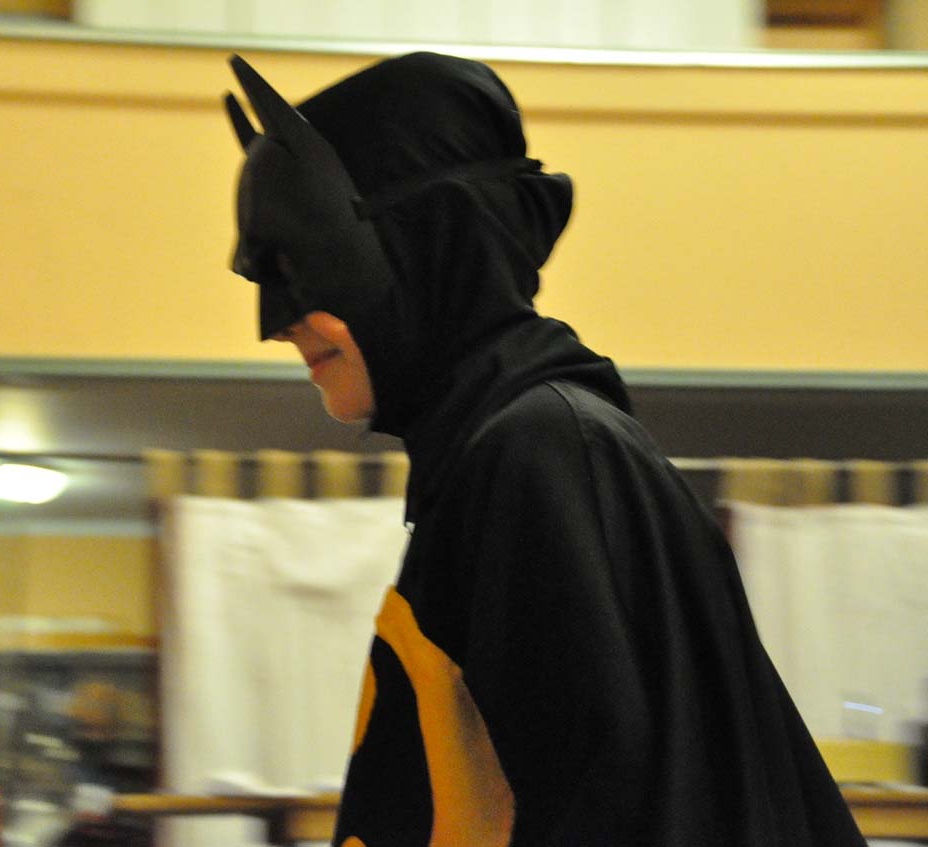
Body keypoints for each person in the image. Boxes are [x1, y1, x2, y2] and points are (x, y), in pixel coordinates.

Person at [222, 52, 866, 846]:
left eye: (303, 259)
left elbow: (609, 813)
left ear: (435, 238)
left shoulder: (537, 454)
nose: (277, 321)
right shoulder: (515, 454)